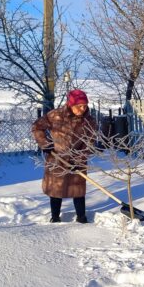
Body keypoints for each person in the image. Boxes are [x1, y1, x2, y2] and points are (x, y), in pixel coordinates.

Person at [32, 89, 97, 223]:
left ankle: (81, 218)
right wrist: (46, 144)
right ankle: (55, 218)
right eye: (79, 106)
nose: (83, 108)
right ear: (71, 104)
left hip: (77, 159)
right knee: (56, 189)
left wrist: (78, 160)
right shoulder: (56, 116)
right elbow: (37, 127)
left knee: (77, 189)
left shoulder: (89, 121)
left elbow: (89, 143)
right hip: (57, 158)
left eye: (85, 105)